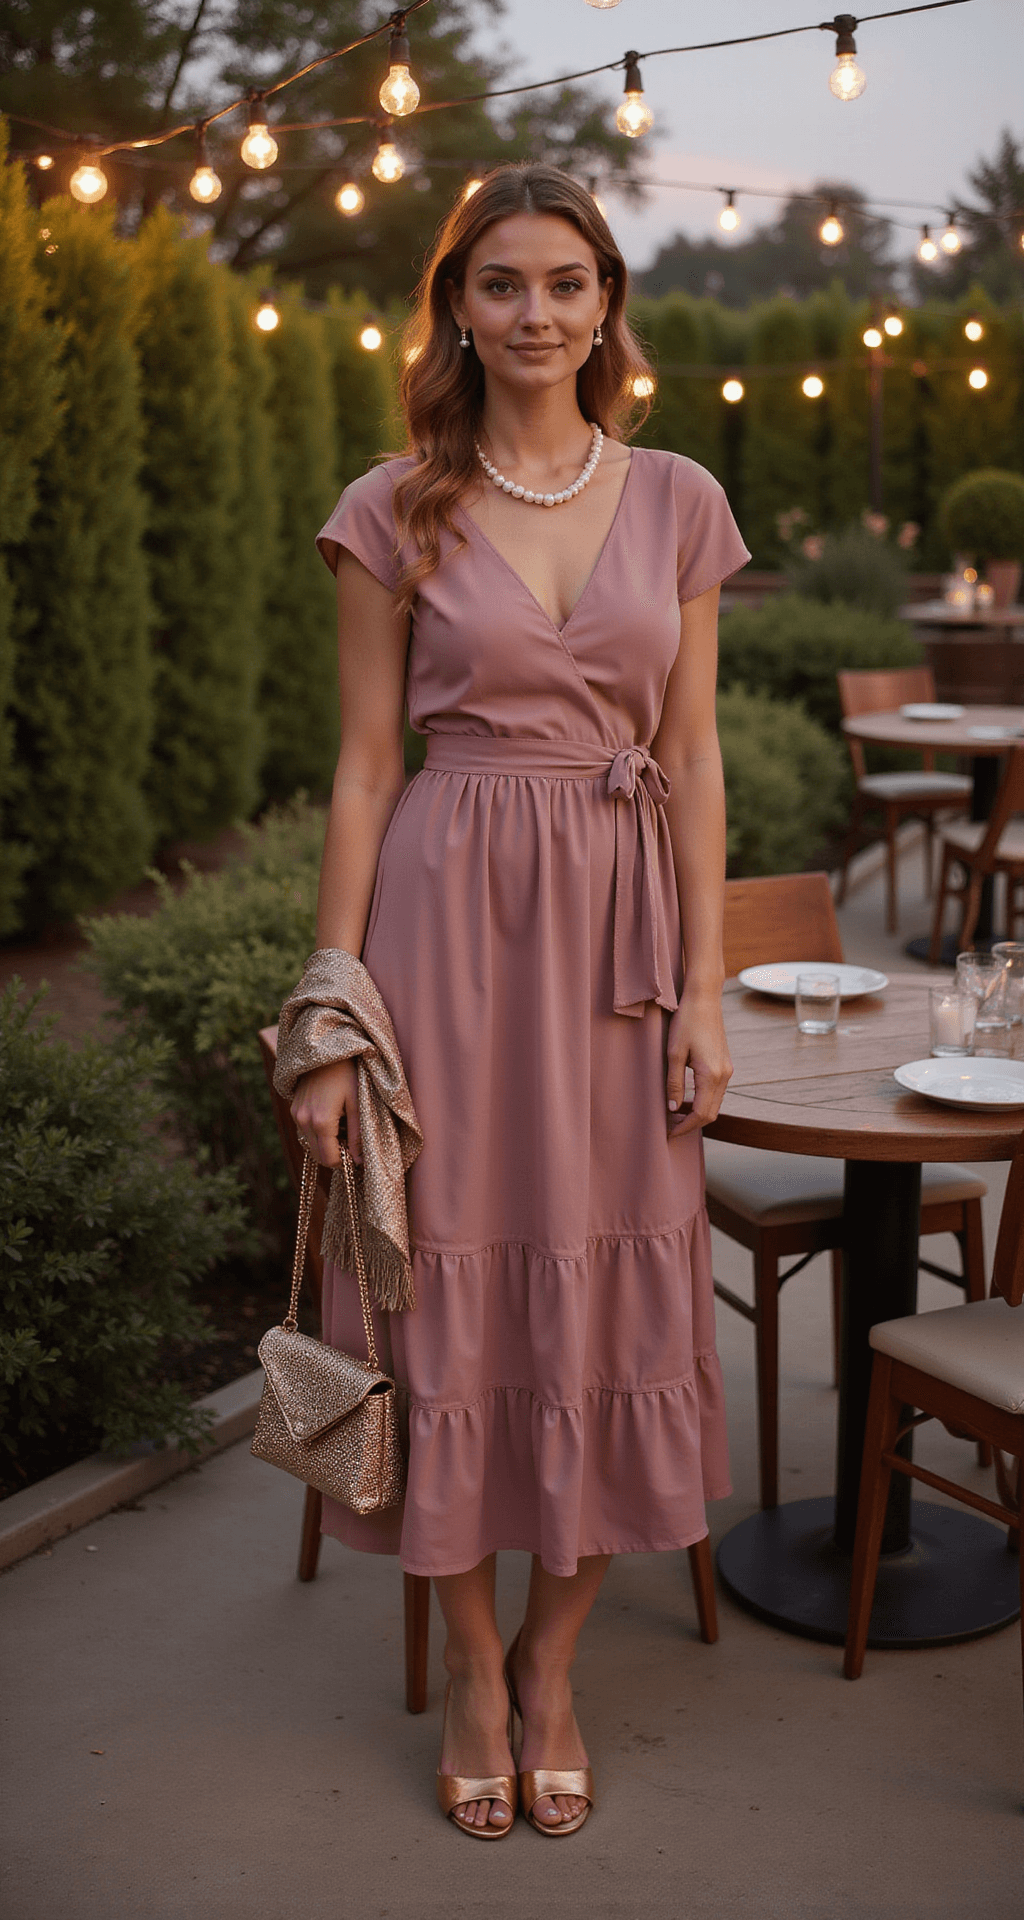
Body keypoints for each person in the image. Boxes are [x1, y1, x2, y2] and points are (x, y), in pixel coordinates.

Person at [290, 162, 751, 1840]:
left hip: (620, 952)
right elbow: (357, 774)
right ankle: (475, 1666)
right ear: (456, 308)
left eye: (568, 283)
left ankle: (561, 1657)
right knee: (445, 1295)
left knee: (611, 1294)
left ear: (608, 302)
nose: (537, 313)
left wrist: (705, 986)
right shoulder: (391, 507)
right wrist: (333, 1007)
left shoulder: (681, 497)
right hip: (444, 937)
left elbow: (692, 759)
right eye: (502, 284)